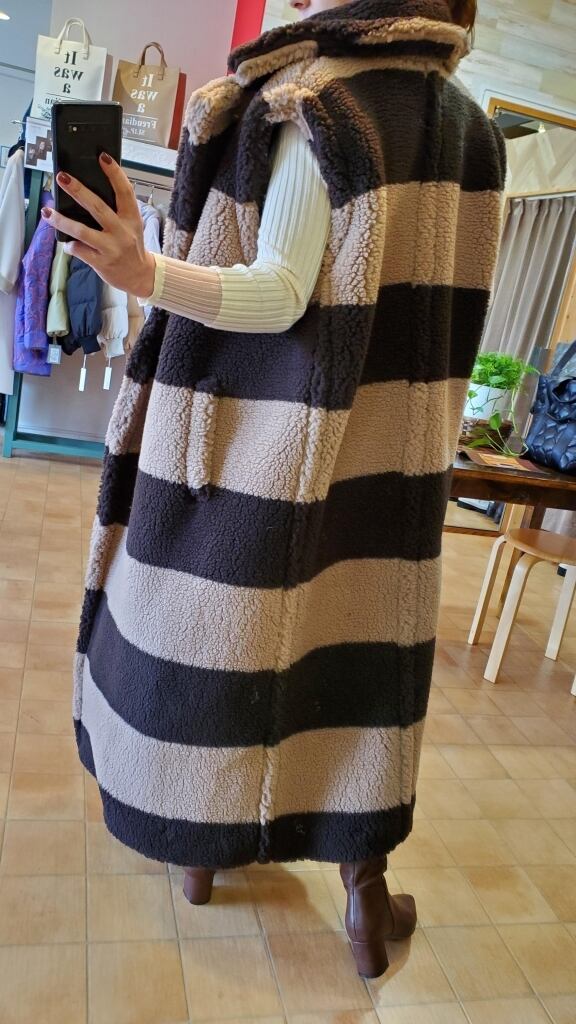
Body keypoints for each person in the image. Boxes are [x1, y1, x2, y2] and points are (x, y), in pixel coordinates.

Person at [44, 0, 505, 979]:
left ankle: (201, 851)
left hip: (266, 450)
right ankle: (365, 898)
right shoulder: (466, 125)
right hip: (387, 464)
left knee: (228, 647)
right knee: (360, 663)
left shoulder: (316, 101)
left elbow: (279, 292)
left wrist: (144, 270)